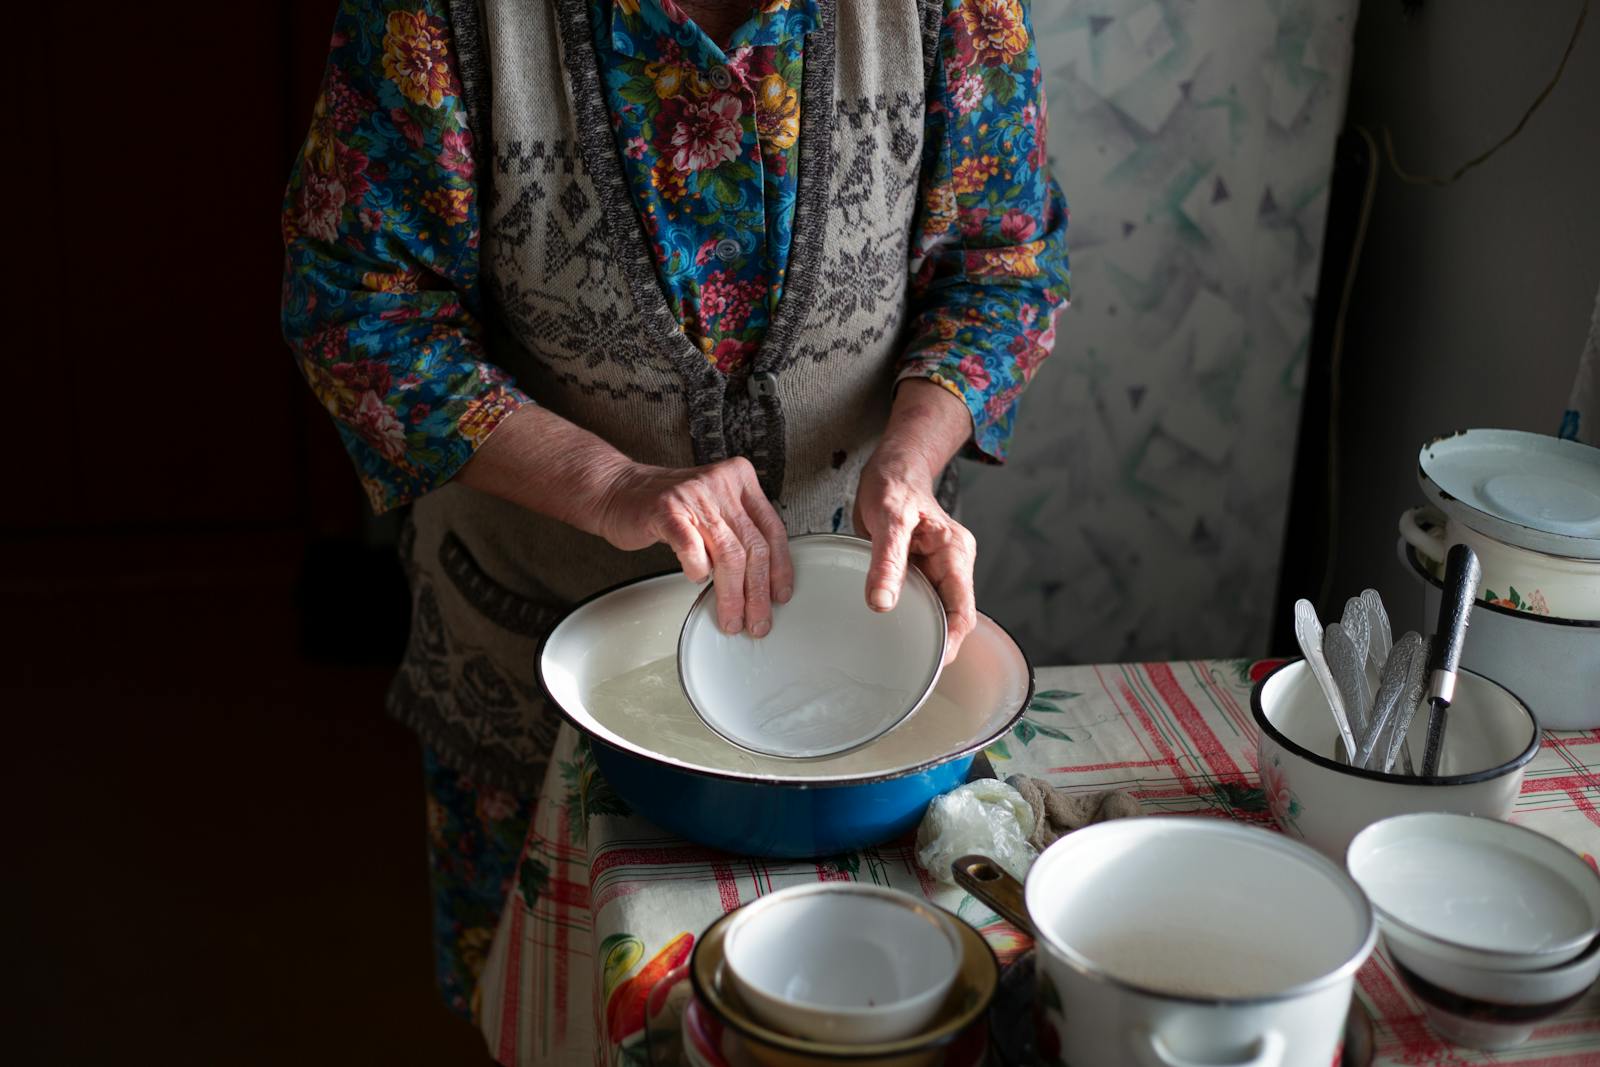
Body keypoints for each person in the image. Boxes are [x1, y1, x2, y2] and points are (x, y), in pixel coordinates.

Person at [282, 0, 1068, 1026]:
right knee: (562, 1010)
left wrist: (910, 461)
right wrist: (604, 481)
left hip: (869, 663)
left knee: (861, 1000)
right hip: (529, 652)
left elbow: (1003, 262)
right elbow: (353, 301)